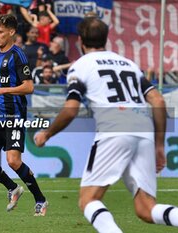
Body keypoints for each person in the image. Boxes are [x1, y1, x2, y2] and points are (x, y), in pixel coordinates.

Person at [34, 17, 178, 232]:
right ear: (106, 39)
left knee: (88, 200)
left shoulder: (80, 66)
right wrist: (159, 145)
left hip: (114, 131)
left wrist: (47, 133)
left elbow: (71, 108)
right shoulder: (129, 64)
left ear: (81, 42)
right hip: (144, 132)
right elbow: (157, 100)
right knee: (146, 209)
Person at [0, 14, 48, 216]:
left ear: (11, 32)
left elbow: (29, 87)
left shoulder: (18, 55)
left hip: (13, 116)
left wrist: (3, 91)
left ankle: (40, 200)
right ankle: (12, 188)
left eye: (0, 32)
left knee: (13, 161)